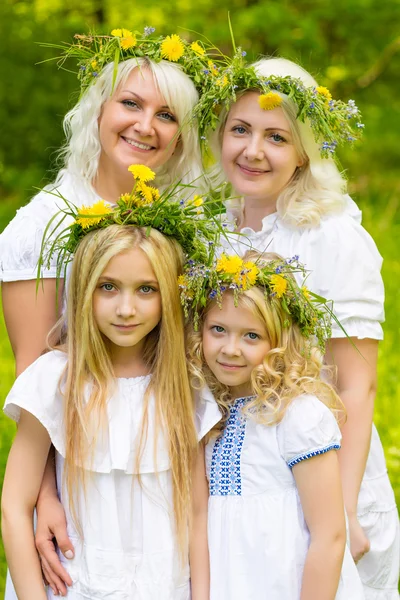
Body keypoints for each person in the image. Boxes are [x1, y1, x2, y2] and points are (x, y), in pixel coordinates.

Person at [0, 27, 213, 596]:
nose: (146, 125)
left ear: (180, 137)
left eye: (166, 115)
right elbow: (34, 366)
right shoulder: (44, 222)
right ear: (98, 111)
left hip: (164, 456)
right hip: (80, 470)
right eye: (131, 103)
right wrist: (44, 495)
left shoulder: (187, 224)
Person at [199, 53, 399, 598]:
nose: (253, 150)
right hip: (237, 479)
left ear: (305, 152)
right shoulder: (210, 231)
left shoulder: (331, 235)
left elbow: (357, 385)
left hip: (317, 474)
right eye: (240, 129)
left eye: (277, 137)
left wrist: (344, 508)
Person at [183, 250, 365, 599]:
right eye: (218, 330)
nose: (230, 349)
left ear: (279, 341)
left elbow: (329, 536)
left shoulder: (296, 415)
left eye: (251, 336)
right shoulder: (210, 412)